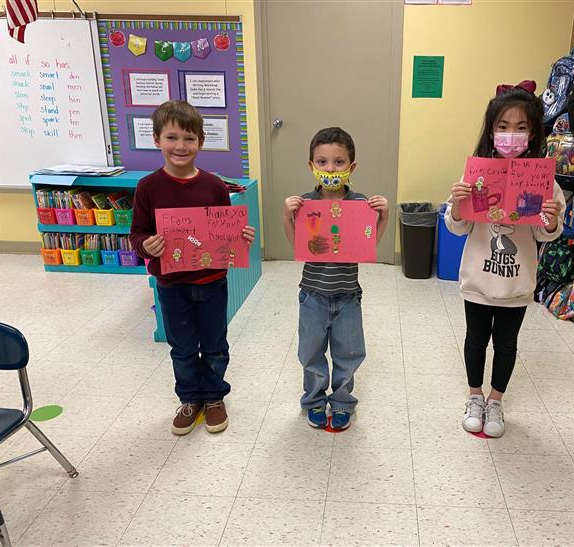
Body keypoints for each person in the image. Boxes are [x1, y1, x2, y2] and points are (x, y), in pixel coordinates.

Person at [445, 82, 565, 437]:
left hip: (517, 282)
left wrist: (553, 217)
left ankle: (496, 401)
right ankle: (474, 396)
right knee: (475, 340)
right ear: (491, 130)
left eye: (520, 128)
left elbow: (546, 233)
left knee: (507, 344)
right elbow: (458, 227)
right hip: (478, 279)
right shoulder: (475, 174)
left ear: (533, 133)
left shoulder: (544, 180)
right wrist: (457, 202)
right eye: (502, 127)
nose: (510, 135)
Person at [130, 100, 256, 436]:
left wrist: (240, 236)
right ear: (156, 139)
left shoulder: (214, 185)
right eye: (172, 138)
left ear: (201, 142)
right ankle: (190, 399)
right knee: (182, 348)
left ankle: (214, 397)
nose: (180, 146)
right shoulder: (148, 187)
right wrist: (146, 245)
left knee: (215, 344)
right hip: (171, 284)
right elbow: (136, 234)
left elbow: (223, 232)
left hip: (212, 280)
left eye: (189, 138)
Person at [283, 127, 389, 430]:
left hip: (347, 295)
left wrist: (381, 217)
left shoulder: (359, 203)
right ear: (311, 166)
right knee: (311, 352)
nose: (330, 169)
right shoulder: (305, 203)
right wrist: (286, 218)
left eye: (339, 162)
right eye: (323, 162)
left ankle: (342, 401)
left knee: (349, 352)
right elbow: (298, 248)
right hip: (313, 295)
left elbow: (368, 245)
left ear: (351, 166)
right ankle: (314, 400)